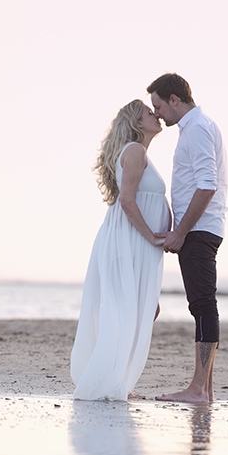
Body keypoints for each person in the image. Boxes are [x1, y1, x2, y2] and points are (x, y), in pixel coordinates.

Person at [70, 100, 171, 401]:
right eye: (148, 113)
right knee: (125, 309)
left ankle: (118, 381)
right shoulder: (135, 152)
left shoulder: (137, 153)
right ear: (138, 123)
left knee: (139, 308)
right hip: (129, 241)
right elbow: (127, 201)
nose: (156, 115)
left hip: (132, 242)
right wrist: (152, 237)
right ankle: (110, 382)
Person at [147, 73, 228, 404]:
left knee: (203, 305)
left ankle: (198, 388)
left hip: (199, 230)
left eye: (159, 106)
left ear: (174, 100)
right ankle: (204, 390)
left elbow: (207, 185)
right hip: (200, 228)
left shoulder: (196, 130)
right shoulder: (197, 127)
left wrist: (181, 231)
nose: (158, 114)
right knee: (202, 305)